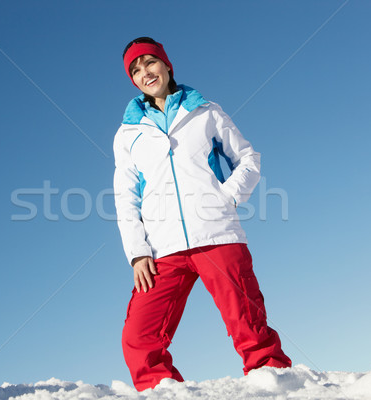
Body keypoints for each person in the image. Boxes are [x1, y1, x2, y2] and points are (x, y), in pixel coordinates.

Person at [113, 37, 291, 391]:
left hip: (218, 236)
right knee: (139, 337)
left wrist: (226, 198)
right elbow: (125, 197)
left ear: (166, 66)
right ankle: (164, 393)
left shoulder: (205, 111)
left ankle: (278, 387)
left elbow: (249, 159)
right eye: (135, 69)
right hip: (162, 250)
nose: (144, 72)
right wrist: (137, 253)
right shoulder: (128, 134)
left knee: (249, 326)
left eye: (149, 62)